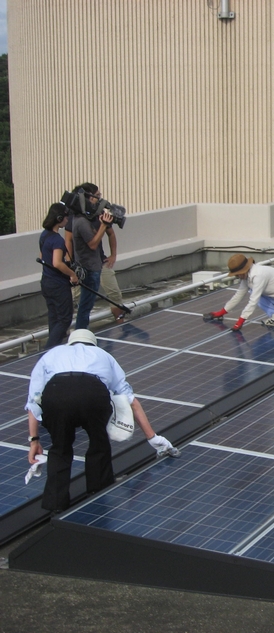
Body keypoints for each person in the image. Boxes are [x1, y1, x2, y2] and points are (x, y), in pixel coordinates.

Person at [26, 329, 178, 512]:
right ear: (93, 343)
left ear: (70, 342)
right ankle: (97, 495)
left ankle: (56, 506)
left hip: (57, 395)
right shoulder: (104, 356)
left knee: (60, 449)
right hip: (93, 395)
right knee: (99, 445)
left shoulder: (52, 354)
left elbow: (34, 401)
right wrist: (153, 438)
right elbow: (130, 401)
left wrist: (34, 440)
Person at [65, 183, 126, 324]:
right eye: (96, 196)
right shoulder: (77, 219)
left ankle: (120, 321)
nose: (99, 199)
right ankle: (80, 332)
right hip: (83, 267)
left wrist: (113, 255)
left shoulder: (98, 215)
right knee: (83, 302)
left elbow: (111, 234)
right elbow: (71, 241)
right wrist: (70, 265)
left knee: (113, 293)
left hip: (99, 262)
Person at [39, 203, 79, 348]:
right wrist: (72, 274)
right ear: (60, 218)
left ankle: (53, 350)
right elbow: (57, 263)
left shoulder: (44, 235)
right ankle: (48, 350)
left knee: (54, 318)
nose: (68, 219)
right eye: (66, 216)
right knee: (64, 319)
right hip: (58, 284)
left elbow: (43, 256)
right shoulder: (57, 240)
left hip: (46, 282)